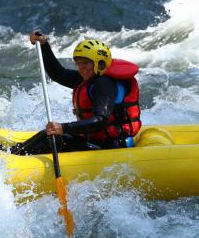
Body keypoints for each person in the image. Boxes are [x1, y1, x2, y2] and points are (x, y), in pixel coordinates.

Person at [11, 33, 141, 155]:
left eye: (85, 63)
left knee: (53, 139)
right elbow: (58, 74)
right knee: (47, 135)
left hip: (111, 147)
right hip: (95, 141)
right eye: (78, 63)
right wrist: (44, 45)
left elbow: (100, 120)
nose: (81, 68)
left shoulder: (104, 84)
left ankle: (13, 157)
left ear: (100, 64)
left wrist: (64, 128)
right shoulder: (87, 78)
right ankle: (13, 152)